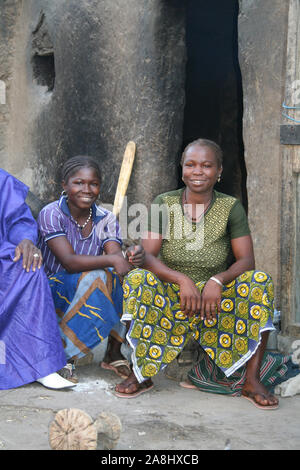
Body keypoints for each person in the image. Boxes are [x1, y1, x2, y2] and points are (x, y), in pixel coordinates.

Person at [115, 138, 279, 410]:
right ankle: (141, 374)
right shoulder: (163, 203)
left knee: (259, 282)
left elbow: (247, 260)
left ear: (219, 171)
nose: (198, 171)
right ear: (182, 170)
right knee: (137, 279)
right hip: (171, 291)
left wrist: (218, 280)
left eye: (206, 165)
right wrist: (181, 279)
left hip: (212, 299)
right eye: (190, 165)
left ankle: (252, 380)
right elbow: (148, 256)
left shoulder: (230, 207)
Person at [37, 155, 143, 382]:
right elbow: (69, 262)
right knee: (98, 276)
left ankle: (113, 352)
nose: (87, 189)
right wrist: (115, 259)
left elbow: (117, 258)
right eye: (78, 183)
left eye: (93, 184)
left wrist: (130, 256)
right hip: (51, 289)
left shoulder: (104, 218)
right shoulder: (51, 213)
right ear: (64, 185)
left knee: (126, 278)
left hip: (89, 285)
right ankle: (62, 357)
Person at [0, 168, 75, 390]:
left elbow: (18, 219)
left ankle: (40, 366)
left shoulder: (1, 181)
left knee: (28, 266)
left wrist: (25, 240)